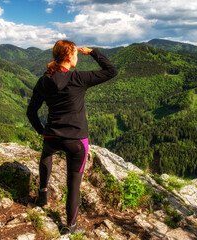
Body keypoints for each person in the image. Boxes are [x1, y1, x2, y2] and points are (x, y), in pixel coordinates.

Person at [26, 40, 118, 234]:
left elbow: (31, 111)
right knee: (73, 183)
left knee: (46, 155)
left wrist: (41, 130)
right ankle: (71, 227)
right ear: (69, 57)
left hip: (51, 135)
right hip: (76, 140)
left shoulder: (44, 80)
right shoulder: (78, 78)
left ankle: (42, 195)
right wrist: (93, 52)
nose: (77, 57)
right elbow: (111, 71)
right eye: (75, 54)